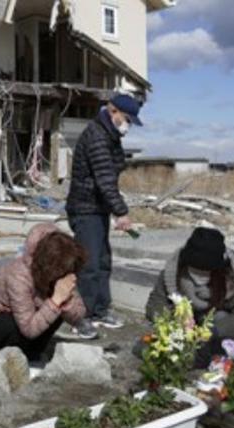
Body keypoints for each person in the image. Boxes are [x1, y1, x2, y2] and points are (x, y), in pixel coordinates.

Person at [65, 93, 142, 331]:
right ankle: (82, 316)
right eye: (127, 119)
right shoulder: (97, 137)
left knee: (103, 261)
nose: (128, 125)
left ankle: (100, 310)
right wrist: (121, 212)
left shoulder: (110, 136)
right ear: (113, 112)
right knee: (88, 264)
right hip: (85, 209)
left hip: (97, 208)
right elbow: (105, 180)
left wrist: (112, 209)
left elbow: (112, 174)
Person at [0, 223, 97, 361]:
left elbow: (79, 315)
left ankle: (34, 354)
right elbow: (28, 329)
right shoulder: (18, 275)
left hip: (23, 317)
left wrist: (65, 300)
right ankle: (19, 358)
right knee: (48, 307)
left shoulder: (62, 267)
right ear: (50, 266)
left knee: (57, 307)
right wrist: (55, 300)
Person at [145, 227, 234, 368]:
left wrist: (212, 332)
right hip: (181, 328)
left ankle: (209, 353)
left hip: (215, 328)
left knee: (219, 320)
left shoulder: (233, 276)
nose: (199, 277)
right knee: (145, 349)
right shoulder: (173, 271)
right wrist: (175, 323)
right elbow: (155, 305)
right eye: (194, 271)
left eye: (205, 272)